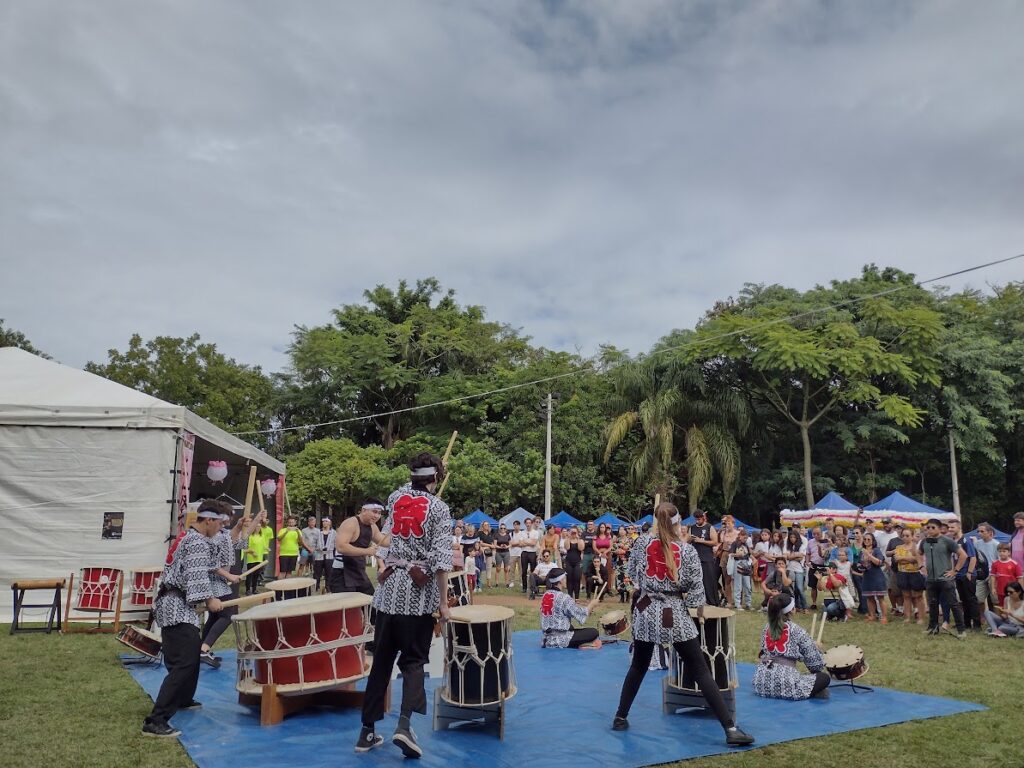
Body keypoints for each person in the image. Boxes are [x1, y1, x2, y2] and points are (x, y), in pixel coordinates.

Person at [612, 503, 754, 746]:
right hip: (674, 611)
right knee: (700, 669)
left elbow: (633, 574)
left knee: (638, 666)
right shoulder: (687, 550)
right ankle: (730, 729)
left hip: (646, 610)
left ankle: (620, 717)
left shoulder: (641, 543)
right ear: (678, 522)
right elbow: (696, 591)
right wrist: (689, 603)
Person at [355, 453, 453, 758]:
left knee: (381, 662)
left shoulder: (395, 498)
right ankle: (405, 725)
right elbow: (441, 562)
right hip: (417, 599)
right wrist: (444, 604)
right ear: (435, 478)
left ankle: (367, 731)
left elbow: (390, 537)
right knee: (413, 662)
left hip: (388, 594)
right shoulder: (440, 508)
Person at [142, 505, 223, 737]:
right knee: (184, 663)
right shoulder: (196, 541)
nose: (221, 528)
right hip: (176, 607)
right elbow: (195, 575)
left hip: (174, 604)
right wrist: (210, 599)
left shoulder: (187, 536)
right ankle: (156, 721)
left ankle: (184, 698)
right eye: (220, 523)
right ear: (209, 520)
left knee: (190, 656)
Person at [200, 503, 256, 667]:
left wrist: (252, 523)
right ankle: (203, 649)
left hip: (221, 580)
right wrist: (229, 576)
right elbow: (212, 563)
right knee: (228, 615)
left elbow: (240, 543)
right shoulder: (211, 535)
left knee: (216, 616)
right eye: (228, 516)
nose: (230, 520)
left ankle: (201, 649)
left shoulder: (222, 533)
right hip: (216, 581)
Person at [753, 593, 830, 700]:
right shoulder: (797, 631)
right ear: (792, 610)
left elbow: (763, 653)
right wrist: (816, 648)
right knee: (824, 678)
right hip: (786, 683)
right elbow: (816, 666)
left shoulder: (766, 628)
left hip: (761, 682)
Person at [919, 518, 968, 638]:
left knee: (953, 604)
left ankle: (961, 630)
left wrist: (955, 571)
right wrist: (921, 565)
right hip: (931, 579)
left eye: (933, 527)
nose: (930, 530)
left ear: (940, 528)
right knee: (933, 604)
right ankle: (933, 628)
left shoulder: (947, 541)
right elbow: (918, 553)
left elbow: (963, 555)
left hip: (945, 579)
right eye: (928, 527)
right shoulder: (924, 541)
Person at [333, 500, 387, 596]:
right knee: (349, 605)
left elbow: (384, 541)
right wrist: (367, 551)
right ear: (364, 510)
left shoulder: (373, 527)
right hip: (342, 573)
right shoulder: (350, 523)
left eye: (379, 513)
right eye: (374, 512)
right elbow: (341, 547)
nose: (377, 516)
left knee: (371, 602)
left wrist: (400, 532)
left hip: (359, 571)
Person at [540, 568, 601, 648]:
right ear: (560, 581)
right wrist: (592, 604)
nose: (566, 580)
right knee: (593, 632)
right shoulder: (564, 597)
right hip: (561, 637)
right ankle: (581, 644)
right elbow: (581, 613)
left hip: (547, 636)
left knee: (571, 627)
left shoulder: (546, 594)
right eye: (564, 578)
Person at [947, 518, 982, 629]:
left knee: (971, 599)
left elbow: (973, 557)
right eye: (949, 527)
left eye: (952, 527)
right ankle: (966, 623)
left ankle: (977, 625)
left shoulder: (966, 540)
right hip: (958, 575)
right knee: (963, 600)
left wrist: (969, 572)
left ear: (959, 527)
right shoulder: (952, 541)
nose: (950, 529)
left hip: (967, 574)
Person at [893, 528, 926, 624]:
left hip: (915, 573)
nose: (905, 537)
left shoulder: (916, 547)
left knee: (918, 596)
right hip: (902, 573)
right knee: (906, 596)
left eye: (907, 536)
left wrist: (903, 558)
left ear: (912, 536)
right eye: (903, 536)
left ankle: (921, 618)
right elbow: (897, 559)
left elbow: (917, 559)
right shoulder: (898, 547)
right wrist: (909, 559)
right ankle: (907, 617)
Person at [688, 509, 720, 607]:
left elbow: (715, 542)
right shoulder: (692, 528)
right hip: (695, 557)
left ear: (703, 518)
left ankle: (712, 601)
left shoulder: (709, 527)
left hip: (707, 557)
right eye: (696, 519)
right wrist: (690, 539)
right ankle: (697, 600)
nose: (697, 521)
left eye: (699, 519)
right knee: (696, 580)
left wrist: (701, 541)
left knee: (709, 580)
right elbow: (687, 540)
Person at [858, 533, 888, 623]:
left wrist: (869, 555)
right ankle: (872, 616)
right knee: (869, 597)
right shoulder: (861, 552)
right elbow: (860, 564)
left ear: (873, 541)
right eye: (865, 539)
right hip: (867, 577)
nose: (866, 541)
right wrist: (862, 565)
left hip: (877, 577)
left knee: (880, 598)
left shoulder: (876, 550)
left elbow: (879, 562)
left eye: (869, 539)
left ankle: (884, 617)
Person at [972, 523, 1000, 611]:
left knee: (995, 599)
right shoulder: (977, 544)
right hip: (981, 574)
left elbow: (999, 561)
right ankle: (983, 616)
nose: (979, 533)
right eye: (978, 531)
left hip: (993, 574)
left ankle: (996, 617)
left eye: (982, 531)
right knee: (978, 598)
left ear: (989, 532)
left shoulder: (996, 544)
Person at [243, 510, 271, 595]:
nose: (258, 528)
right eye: (257, 527)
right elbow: (245, 549)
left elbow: (263, 546)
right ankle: (248, 590)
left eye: (259, 527)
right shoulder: (250, 537)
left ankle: (254, 589)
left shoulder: (261, 536)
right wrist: (252, 552)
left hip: (259, 558)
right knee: (250, 575)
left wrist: (267, 548)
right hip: (251, 559)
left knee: (256, 575)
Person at [717, 515, 739, 608]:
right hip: (725, 555)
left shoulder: (738, 533)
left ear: (733, 524)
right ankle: (729, 601)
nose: (727, 525)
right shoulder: (722, 533)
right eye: (726, 523)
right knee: (727, 579)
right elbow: (719, 544)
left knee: (737, 579)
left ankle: (738, 602)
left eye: (729, 523)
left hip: (736, 555)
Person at [783, 529, 808, 612]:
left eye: (794, 537)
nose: (792, 539)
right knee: (792, 589)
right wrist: (795, 556)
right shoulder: (787, 546)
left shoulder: (801, 546)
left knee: (800, 588)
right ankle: (796, 606)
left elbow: (801, 557)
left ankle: (805, 607)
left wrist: (790, 556)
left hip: (799, 569)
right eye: (791, 537)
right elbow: (785, 556)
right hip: (789, 569)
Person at [311, 516, 336, 593]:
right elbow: (314, 543)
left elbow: (336, 544)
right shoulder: (318, 532)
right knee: (317, 573)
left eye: (326, 521)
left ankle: (328, 587)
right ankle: (316, 587)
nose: (324, 523)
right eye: (323, 521)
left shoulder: (334, 533)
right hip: (319, 555)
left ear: (330, 523)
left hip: (329, 555)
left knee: (329, 572)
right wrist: (316, 549)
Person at [520, 518, 542, 593]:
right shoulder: (522, 532)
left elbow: (534, 543)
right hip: (524, 552)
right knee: (524, 571)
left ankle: (534, 587)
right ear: (525, 524)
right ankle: (524, 587)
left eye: (529, 523)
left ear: (531, 523)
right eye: (527, 523)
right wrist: (529, 542)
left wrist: (525, 542)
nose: (528, 524)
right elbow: (520, 543)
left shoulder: (535, 532)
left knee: (533, 571)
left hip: (532, 553)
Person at [731, 539, 753, 610]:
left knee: (748, 585)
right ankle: (737, 604)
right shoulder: (735, 543)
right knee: (738, 585)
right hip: (738, 562)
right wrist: (737, 555)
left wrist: (753, 559)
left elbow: (749, 554)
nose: (744, 538)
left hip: (746, 563)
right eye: (743, 536)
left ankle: (748, 604)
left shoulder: (746, 544)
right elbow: (730, 554)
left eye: (745, 537)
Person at [563, 527, 585, 599]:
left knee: (577, 578)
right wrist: (569, 537)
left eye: (575, 532)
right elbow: (567, 548)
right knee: (569, 578)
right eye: (572, 532)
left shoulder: (580, 540)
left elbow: (581, 548)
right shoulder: (567, 540)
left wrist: (578, 538)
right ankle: (570, 596)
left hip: (577, 561)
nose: (573, 534)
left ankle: (577, 597)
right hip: (568, 561)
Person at [581, 520, 598, 597]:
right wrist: (589, 543)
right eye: (588, 524)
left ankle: (593, 588)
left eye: (591, 524)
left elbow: (596, 543)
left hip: (594, 554)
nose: (590, 525)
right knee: (584, 571)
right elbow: (582, 543)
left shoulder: (596, 533)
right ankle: (585, 587)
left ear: (594, 525)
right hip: (586, 554)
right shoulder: (584, 533)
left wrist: (587, 542)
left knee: (595, 571)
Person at [493, 523, 511, 587]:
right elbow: (495, 545)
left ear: (506, 529)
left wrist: (506, 546)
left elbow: (510, 544)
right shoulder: (496, 535)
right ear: (499, 529)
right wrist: (500, 547)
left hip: (506, 553)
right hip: (498, 553)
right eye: (501, 528)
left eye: (504, 528)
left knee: (506, 569)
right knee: (498, 568)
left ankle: (507, 583)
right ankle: (497, 583)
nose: (502, 529)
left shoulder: (508, 535)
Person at [477, 521, 495, 586]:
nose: (486, 526)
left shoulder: (490, 533)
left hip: (489, 551)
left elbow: (492, 542)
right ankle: (479, 581)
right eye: (485, 525)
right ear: (482, 526)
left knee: (489, 566)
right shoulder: (479, 533)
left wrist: (492, 547)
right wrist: (489, 545)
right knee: (481, 566)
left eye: (487, 525)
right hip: (482, 551)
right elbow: (481, 543)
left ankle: (488, 582)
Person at [508, 521, 524, 588]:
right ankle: (512, 582)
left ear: (519, 526)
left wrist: (514, 544)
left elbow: (522, 543)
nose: (516, 526)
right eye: (514, 525)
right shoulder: (510, 534)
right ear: (513, 526)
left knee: (521, 569)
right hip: (512, 553)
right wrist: (517, 543)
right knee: (512, 569)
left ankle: (521, 581)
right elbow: (510, 543)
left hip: (521, 553)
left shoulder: (522, 533)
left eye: (517, 525)